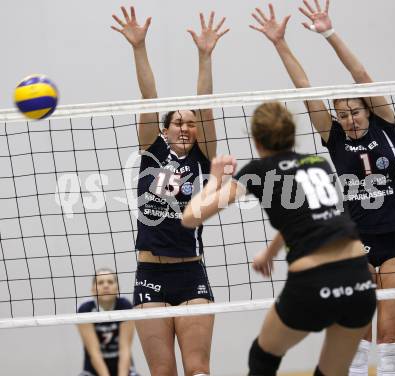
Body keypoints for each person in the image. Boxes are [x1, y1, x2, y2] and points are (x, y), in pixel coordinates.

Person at [249, 2, 395, 375]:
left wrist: (328, 33)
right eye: (343, 113)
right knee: (358, 340)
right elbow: (305, 87)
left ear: (367, 109)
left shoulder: (385, 123)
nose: (350, 118)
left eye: (355, 111)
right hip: (354, 244)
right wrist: (280, 43)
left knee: (389, 340)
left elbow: (359, 73)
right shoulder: (334, 136)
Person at [182, 101, 377, 376]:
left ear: (256, 139)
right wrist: (271, 252)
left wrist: (215, 179)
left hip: (313, 283)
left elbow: (190, 217)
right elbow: (317, 218)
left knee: (262, 357)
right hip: (359, 278)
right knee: (332, 372)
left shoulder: (258, 170)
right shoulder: (318, 164)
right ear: (291, 133)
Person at [111, 6, 229, 376]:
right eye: (178, 121)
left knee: (198, 370)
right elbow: (149, 98)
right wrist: (138, 47)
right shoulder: (151, 151)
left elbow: (207, 108)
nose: (185, 127)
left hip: (191, 273)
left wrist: (205, 55)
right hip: (149, 273)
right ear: (165, 128)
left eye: (190, 123)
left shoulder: (202, 156)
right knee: (163, 372)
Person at [77, 268, 139, 376]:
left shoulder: (125, 306)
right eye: (100, 282)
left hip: (123, 369)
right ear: (93, 289)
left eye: (110, 282)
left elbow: (125, 349)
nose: (106, 286)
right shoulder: (84, 310)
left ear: (117, 288)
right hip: (93, 370)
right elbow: (94, 352)